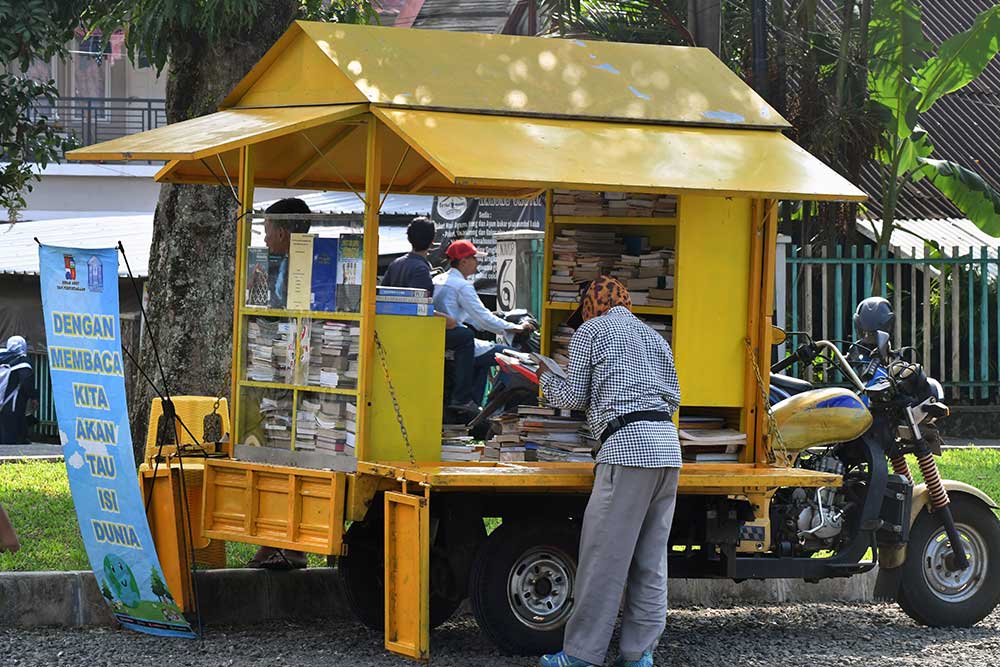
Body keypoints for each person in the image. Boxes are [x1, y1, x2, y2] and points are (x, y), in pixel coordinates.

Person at [537, 277, 681, 667]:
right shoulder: (653, 336)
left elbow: (571, 396)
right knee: (650, 562)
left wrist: (539, 375)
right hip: (668, 451)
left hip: (626, 452)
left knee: (603, 559)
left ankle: (581, 656)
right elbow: (673, 397)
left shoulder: (592, 331)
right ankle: (639, 655)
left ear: (589, 306)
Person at [250, 199, 310, 569]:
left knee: (292, 456)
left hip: (297, 374)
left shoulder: (303, 266)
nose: (266, 236)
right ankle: (272, 541)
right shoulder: (281, 265)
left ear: (284, 232)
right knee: (270, 455)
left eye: (269, 228)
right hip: (278, 370)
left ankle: (293, 546)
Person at [382, 219, 475, 412]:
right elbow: (420, 309)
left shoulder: (396, 264)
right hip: (415, 332)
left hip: (394, 329)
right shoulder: (421, 270)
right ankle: (462, 398)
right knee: (466, 337)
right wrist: (448, 320)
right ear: (433, 241)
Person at [432, 240, 534, 410]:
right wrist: (515, 328)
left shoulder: (438, 279)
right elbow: (483, 319)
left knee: (484, 359)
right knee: (516, 358)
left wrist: (497, 318)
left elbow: (471, 316)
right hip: (458, 340)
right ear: (463, 261)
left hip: (443, 339)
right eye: (474, 259)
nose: (477, 264)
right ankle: (495, 407)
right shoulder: (462, 286)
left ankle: (475, 405)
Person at [263, 197, 312, 309]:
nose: (265, 240)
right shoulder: (268, 267)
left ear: (281, 234)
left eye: (266, 232)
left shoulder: (309, 271)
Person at [0, 336, 35, 445]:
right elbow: (26, 382)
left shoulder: (1, 357)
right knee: (10, 434)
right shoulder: (23, 362)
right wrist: (34, 397)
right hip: (12, 402)